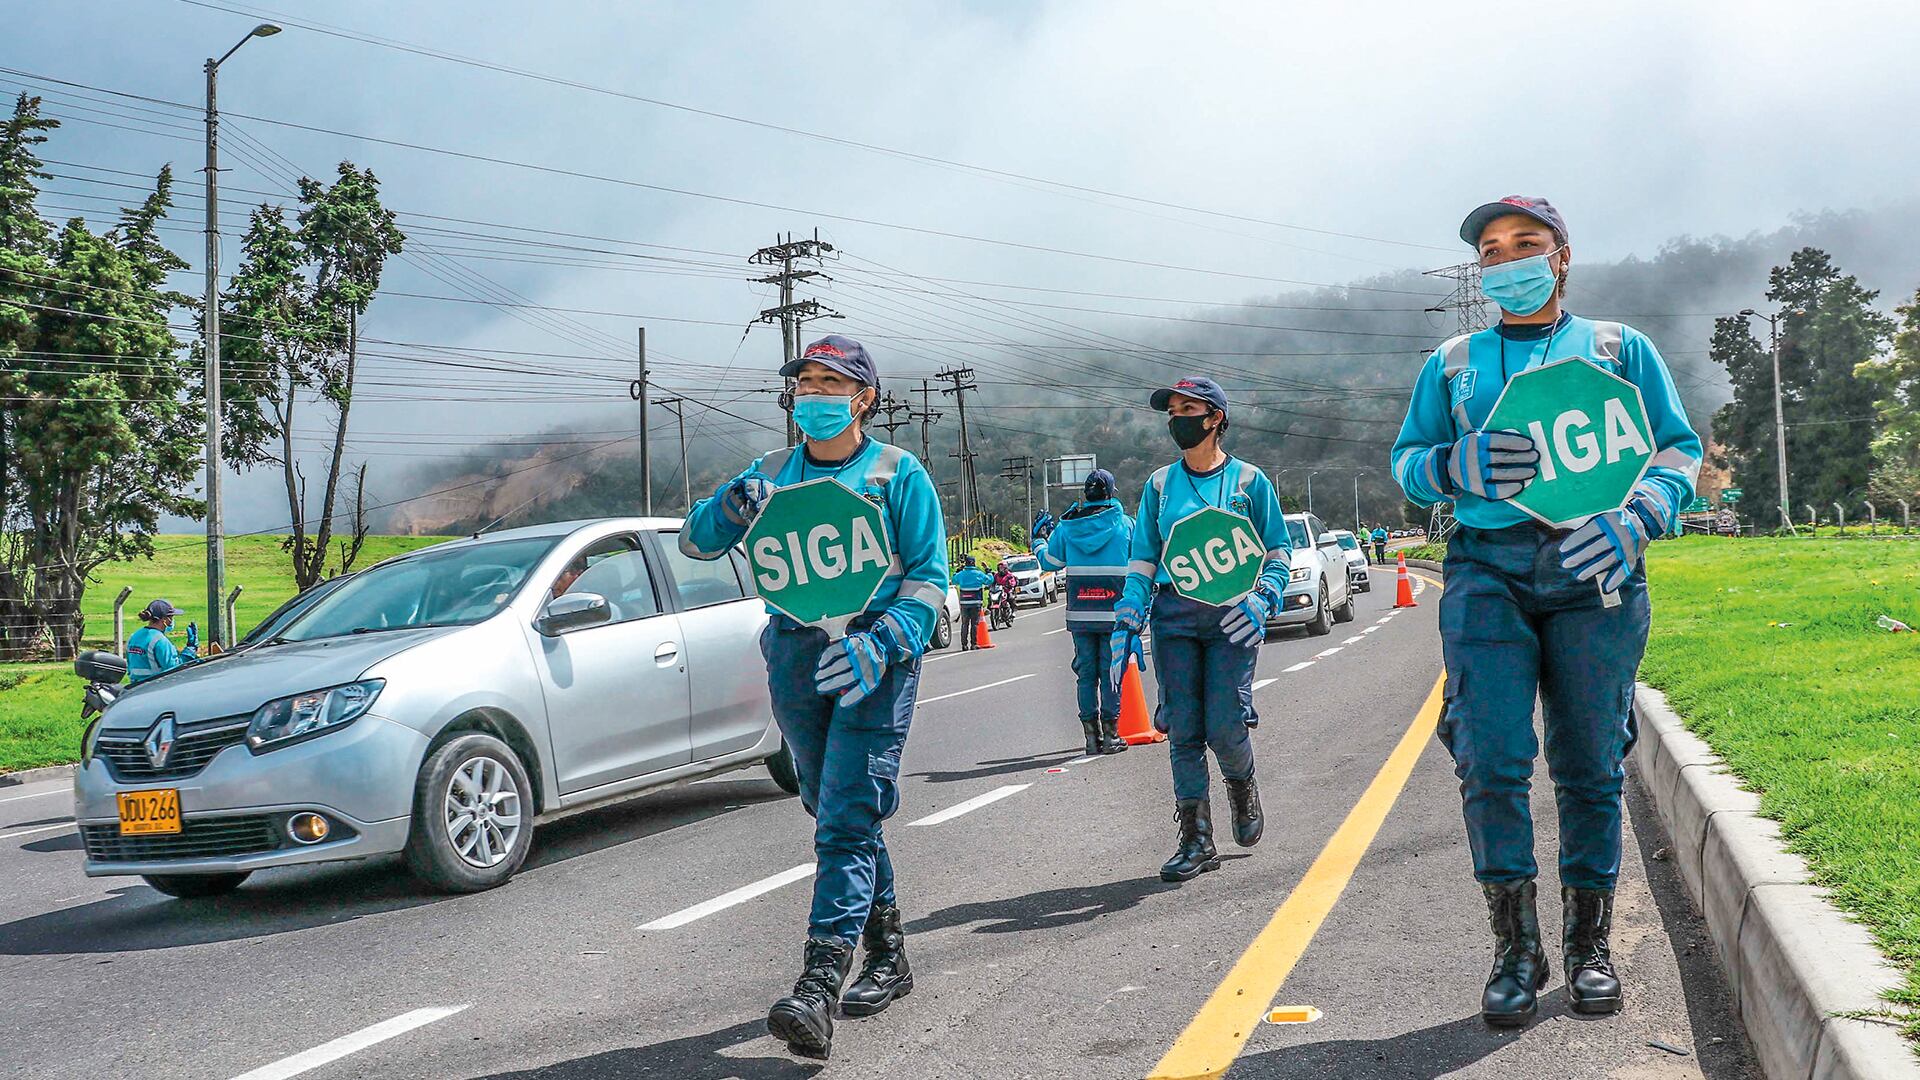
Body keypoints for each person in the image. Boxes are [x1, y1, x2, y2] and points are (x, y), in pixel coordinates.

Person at [1391, 196, 1702, 1026]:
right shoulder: (1453, 362)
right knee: (1489, 759)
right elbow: (1409, 460)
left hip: (1594, 568)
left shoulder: (1617, 347)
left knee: (1591, 762)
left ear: (1562, 255)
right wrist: (1452, 464)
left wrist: (1640, 515)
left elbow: (1678, 446)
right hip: (1485, 571)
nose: (1507, 260)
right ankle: (1515, 949)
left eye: (1525, 244)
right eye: (1492, 251)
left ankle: (1588, 944)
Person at [680, 334, 948, 1059]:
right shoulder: (769, 472)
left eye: (832, 384)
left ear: (863, 398)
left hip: (873, 657)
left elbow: (931, 577)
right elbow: (697, 543)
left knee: (848, 816)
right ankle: (890, 954)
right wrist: (730, 507)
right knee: (828, 805)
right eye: (806, 384)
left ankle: (817, 988)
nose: (815, 396)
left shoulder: (899, 473)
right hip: (797, 654)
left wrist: (884, 640)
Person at [1115, 377, 1291, 882]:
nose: (1177, 419)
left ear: (1214, 417)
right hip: (1173, 617)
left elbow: (1278, 552)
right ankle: (1196, 839)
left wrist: (1265, 596)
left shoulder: (1250, 483)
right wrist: (1131, 610)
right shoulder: (1159, 485)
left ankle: (1242, 783)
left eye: (1187, 409)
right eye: (1172, 411)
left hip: (1234, 618)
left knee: (1226, 723)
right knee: (1184, 729)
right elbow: (1144, 555)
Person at [1030, 468, 1134, 755]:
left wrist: (1038, 540)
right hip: (1115, 614)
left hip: (1081, 615)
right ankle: (1112, 736)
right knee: (1111, 672)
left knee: (1086, 675)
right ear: (1111, 493)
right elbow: (1142, 562)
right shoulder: (1125, 525)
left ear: (1085, 495)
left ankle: (1091, 738)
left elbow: (1050, 562)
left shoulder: (1066, 528)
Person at [125, 599, 197, 683]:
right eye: (171, 617)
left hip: (135, 687)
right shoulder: (160, 640)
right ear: (164, 619)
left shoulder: (134, 636)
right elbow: (174, 669)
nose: (172, 621)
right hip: (154, 687)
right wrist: (190, 651)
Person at [952, 556, 993, 650]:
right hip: (976, 603)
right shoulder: (978, 574)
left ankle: (964, 645)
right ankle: (973, 644)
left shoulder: (961, 574)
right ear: (973, 563)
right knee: (974, 624)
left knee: (964, 624)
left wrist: (958, 570)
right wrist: (988, 570)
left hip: (964, 603)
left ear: (965, 564)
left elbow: (954, 580)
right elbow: (989, 580)